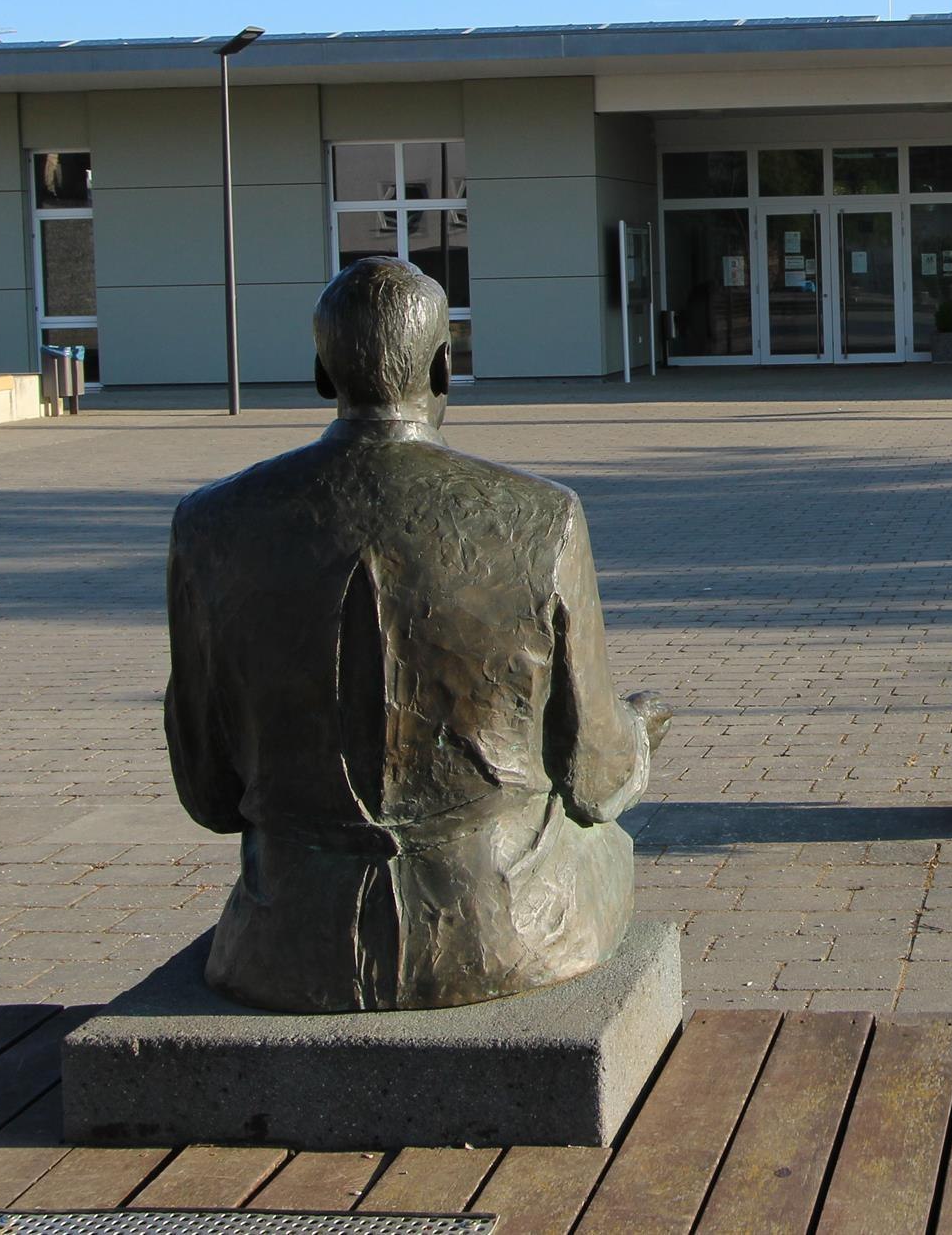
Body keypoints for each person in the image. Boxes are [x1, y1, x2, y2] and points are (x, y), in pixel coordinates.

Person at [163, 257, 669, 1012]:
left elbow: (208, 793)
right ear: (443, 367)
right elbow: (593, 778)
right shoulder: (543, 517)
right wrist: (640, 731)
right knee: (603, 841)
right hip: (505, 926)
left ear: (322, 373)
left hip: (286, 938)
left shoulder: (210, 523)